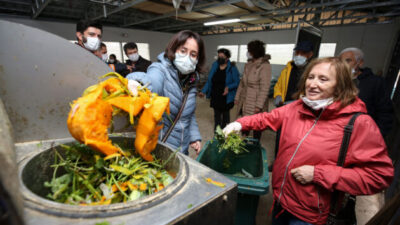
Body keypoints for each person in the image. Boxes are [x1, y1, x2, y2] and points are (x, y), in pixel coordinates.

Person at [223, 57, 394, 225]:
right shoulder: (296, 108)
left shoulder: (358, 123)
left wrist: (318, 174)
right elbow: (267, 118)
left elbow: (379, 176)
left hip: (310, 216)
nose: (312, 84)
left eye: (323, 79)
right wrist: (239, 123)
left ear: (340, 85)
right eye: (311, 77)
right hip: (281, 201)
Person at [126, 30, 205, 155]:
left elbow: (188, 113)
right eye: (183, 51)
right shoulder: (160, 69)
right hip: (159, 149)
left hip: (181, 151)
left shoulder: (192, 80)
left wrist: (194, 136)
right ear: (173, 50)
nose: (187, 57)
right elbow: (152, 81)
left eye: (193, 54)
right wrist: (139, 82)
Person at [339, 47, 393, 137]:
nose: (343, 64)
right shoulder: (336, 81)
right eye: (340, 61)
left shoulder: (375, 82)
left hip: (362, 135)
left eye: (348, 61)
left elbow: (385, 113)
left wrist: (375, 136)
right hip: (338, 133)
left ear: (360, 63)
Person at [234, 40, 271, 140]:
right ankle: (243, 144)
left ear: (254, 51)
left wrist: (259, 105)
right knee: (244, 123)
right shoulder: (248, 64)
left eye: (249, 50)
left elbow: (265, 87)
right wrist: (237, 97)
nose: (247, 52)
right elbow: (242, 83)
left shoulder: (265, 66)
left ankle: (255, 146)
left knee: (256, 125)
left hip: (255, 101)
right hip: (245, 99)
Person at [199, 48, 240, 130]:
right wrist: (203, 91)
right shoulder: (215, 65)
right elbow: (210, 80)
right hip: (215, 95)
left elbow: (237, 82)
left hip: (226, 96)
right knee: (217, 116)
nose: (220, 58)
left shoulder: (232, 68)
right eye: (218, 56)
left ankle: (225, 132)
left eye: (222, 56)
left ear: (227, 58)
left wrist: (228, 87)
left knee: (225, 116)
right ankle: (217, 133)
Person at [274, 40, 314, 106]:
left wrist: (297, 103)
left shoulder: (312, 72)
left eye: (303, 53)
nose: (299, 55)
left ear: (310, 54)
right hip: (283, 106)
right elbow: (278, 85)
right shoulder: (287, 69)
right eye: (297, 52)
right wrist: (278, 95)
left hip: (300, 109)